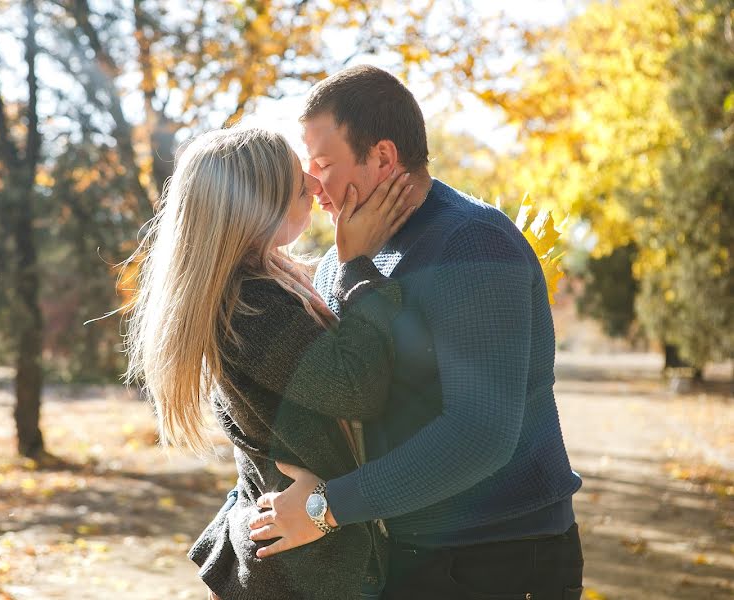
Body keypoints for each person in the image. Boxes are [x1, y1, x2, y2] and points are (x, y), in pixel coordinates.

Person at [247, 65, 585, 599]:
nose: (312, 185)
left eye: (324, 163)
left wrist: (327, 508)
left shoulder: (474, 244)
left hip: (501, 556)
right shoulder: (343, 259)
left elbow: (480, 434)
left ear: (383, 157)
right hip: (402, 554)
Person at [123, 126, 419, 599]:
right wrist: (359, 268)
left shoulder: (268, 280)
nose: (315, 183)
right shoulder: (249, 306)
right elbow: (356, 389)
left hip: (294, 559)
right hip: (301, 575)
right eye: (299, 183)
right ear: (254, 205)